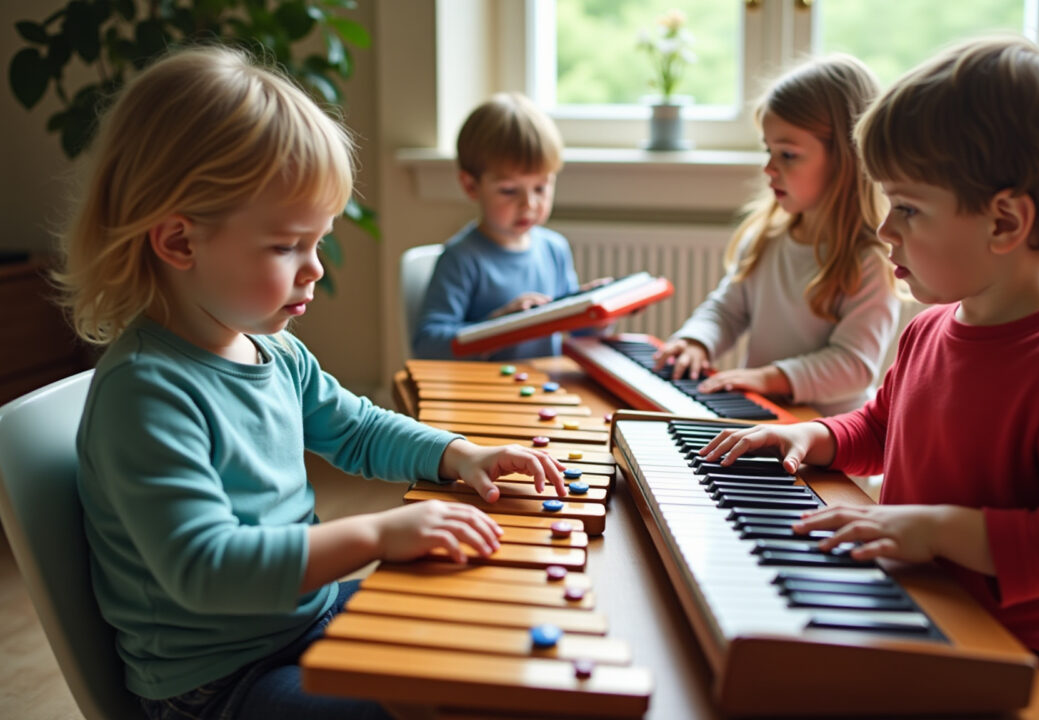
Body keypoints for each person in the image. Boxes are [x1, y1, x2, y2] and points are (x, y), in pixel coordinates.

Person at [57, 46, 565, 720]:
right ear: (179, 243)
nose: (314, 270)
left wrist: (459, 453)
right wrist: (377, 536)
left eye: (319, 242)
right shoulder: (148, 393)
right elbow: (205, 568)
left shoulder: (275, 352)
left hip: (303, 622)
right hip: (218, 685)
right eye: (286, 246)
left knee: (482, 636)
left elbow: (355, 426)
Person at [699, 37, 1039, 720]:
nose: (883, 230)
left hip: (1013, 661)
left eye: (907, 209)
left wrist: (939, 529)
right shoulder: (930, 330)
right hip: (916, 606)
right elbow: (882, 427)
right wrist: (815, 436)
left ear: (1005, 220)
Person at [652, 55, 900, 416]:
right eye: (768, 150)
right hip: (767, 421)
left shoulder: (870, 260)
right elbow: (727, 310)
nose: (769, 168)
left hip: (831, 445)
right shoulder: (767, 236)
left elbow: (854, 366)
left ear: (846, 158)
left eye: (787, 154)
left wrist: (768, 378)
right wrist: (696, 342)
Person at [412, 92, 608, 361]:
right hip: (486, 396)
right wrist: (498, 327)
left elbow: (574, 334)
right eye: (508, 190)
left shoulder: (554, 249)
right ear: (471, 186)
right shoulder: (461, 258)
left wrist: (595, 313)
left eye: (540, 187)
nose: (529, 204)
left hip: (544, 392)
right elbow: (427, 344)